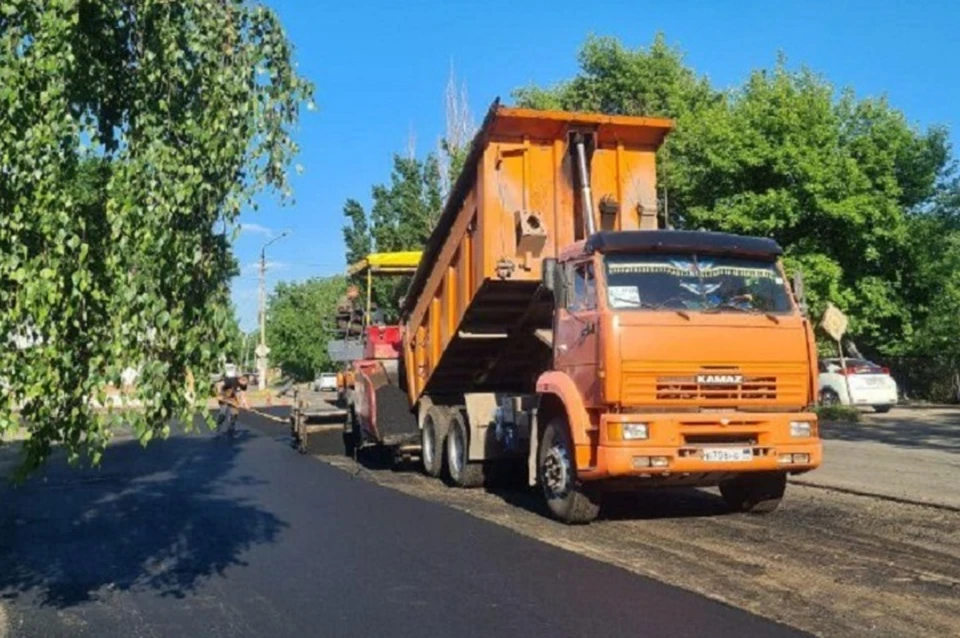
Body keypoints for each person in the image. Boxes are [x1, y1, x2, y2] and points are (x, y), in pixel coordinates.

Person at [216, 372, 250, 437]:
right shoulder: (231, 380)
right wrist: (219, 394)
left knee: (234, 413)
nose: (246, 384)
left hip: (232, 397)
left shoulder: (244, 385)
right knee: (223, 412)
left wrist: (246, 405)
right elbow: (219, 384)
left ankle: (231, 429)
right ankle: (218, 425)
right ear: (242, 379)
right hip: (224, 395)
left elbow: (243, 396)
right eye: (246, 382)